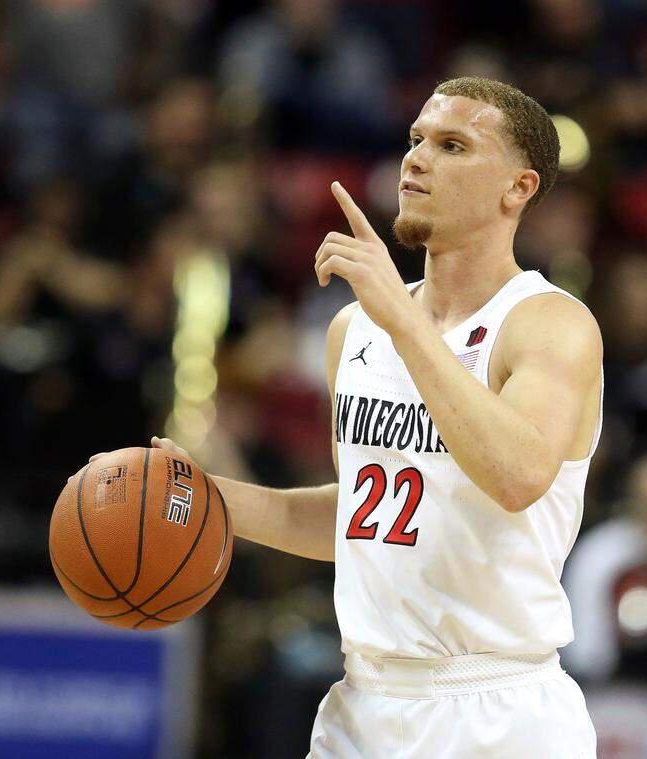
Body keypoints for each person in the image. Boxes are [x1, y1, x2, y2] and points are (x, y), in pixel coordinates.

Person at [91, 76, 603, 756]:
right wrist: (210, 500)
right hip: (365, 704)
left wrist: (405, 322)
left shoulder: (548, 324)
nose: (417, 160)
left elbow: (517, 475)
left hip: (498, 709)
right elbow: (363, 517)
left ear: (519, 188)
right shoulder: (355, 330)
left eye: (453, 145)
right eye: (415, 140)